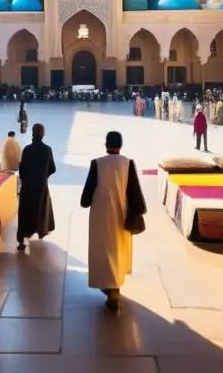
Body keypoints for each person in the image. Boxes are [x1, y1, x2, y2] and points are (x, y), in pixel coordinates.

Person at [81, 130, 147, 313]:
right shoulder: (128, 164)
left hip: (101, 217)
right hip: (121, 215)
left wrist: (87, 200)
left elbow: (85, 198)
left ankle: (110, 289)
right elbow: (135, 195)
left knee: (103, 251)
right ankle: (114, 287)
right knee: (117, 251)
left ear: (105, 144)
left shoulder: (97, 164)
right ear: (121, 145)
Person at [17, 123, 56, 251]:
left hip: (28, 186)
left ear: (32, 134)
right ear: (43, 135)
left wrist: (26, 179)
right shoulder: (47, 150)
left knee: (25, 212)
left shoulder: (27, 150)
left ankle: (21, 240)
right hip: (41, 186)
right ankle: (41, 230)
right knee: (41, 210)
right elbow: (53, 168)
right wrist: (43, 176)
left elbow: (21, 169)